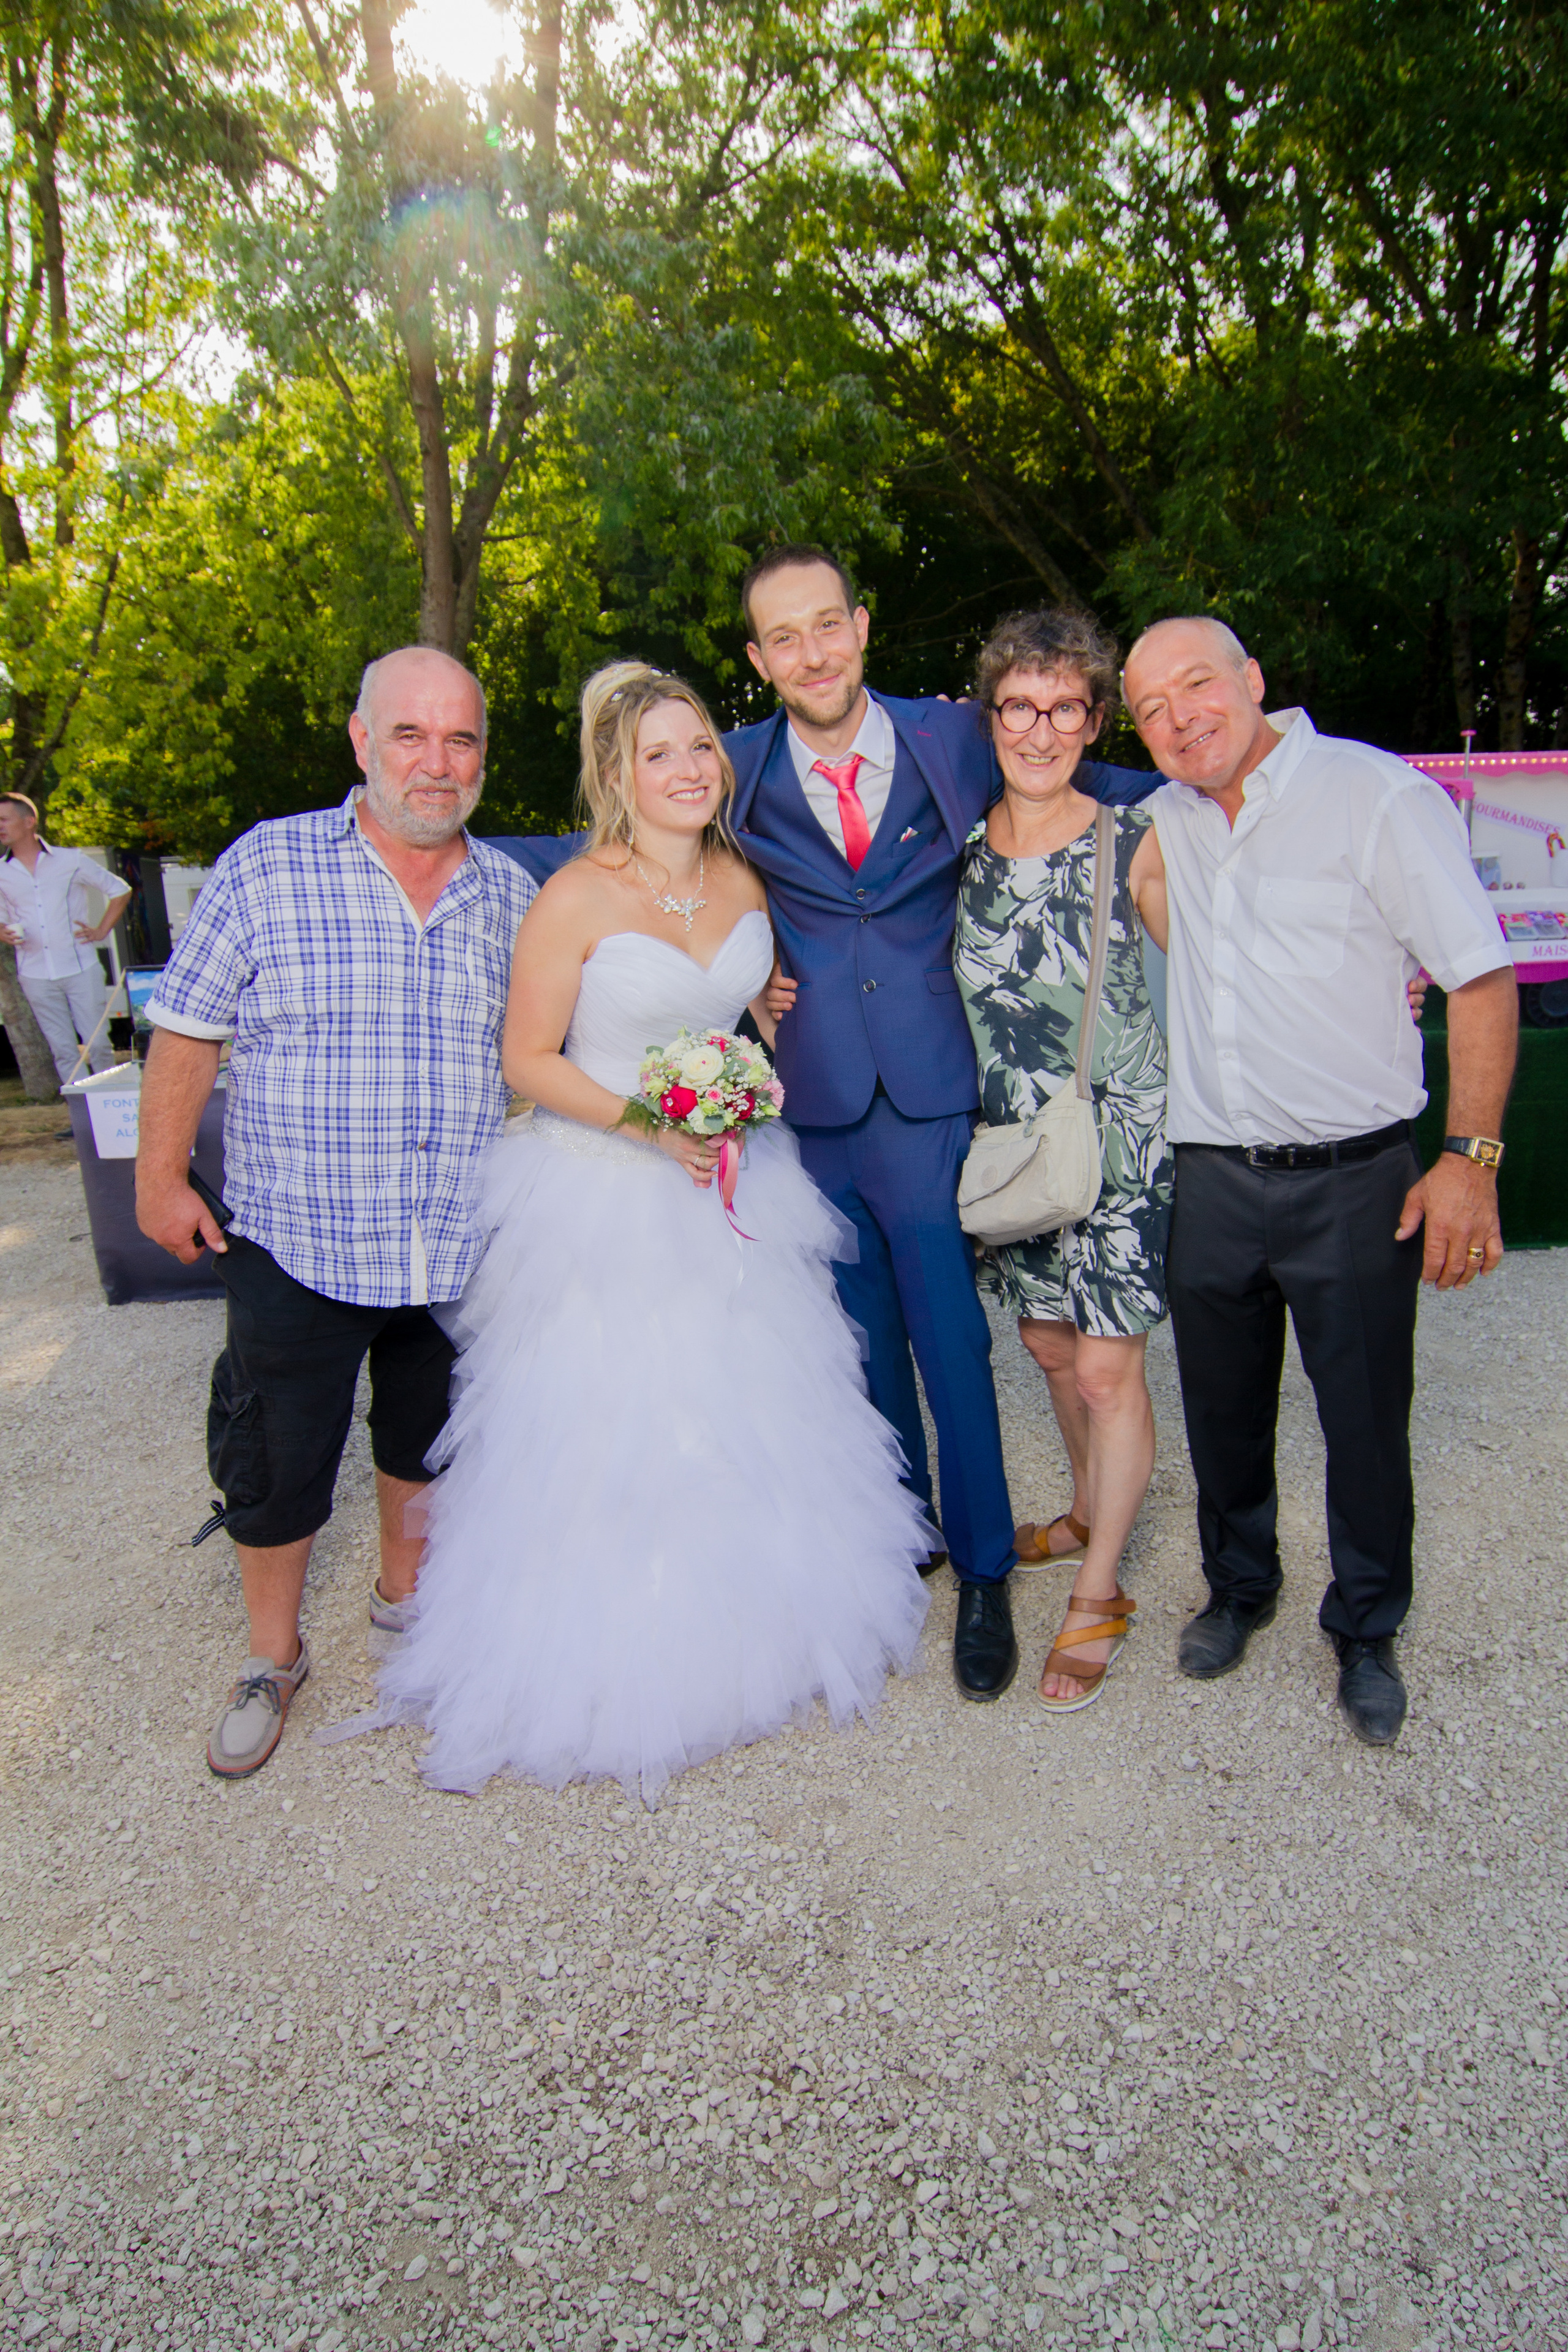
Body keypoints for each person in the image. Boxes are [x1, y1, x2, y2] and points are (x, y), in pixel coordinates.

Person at [344, 661, 933, 1803]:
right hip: (608, 1182)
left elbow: (745, 999)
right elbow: (526, 1060)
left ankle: (755, 1620)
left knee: (752, 1398)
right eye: (656, 753)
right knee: (619, 1421)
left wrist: (759, 1011)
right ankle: (631, 1648)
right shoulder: (574, 894)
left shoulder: (743, 878)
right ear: (617, 773)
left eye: (699, 747)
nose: (685, 770)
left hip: (732, 1177)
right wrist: (645, 1127)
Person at [134, 646, 537, 1779]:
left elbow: (570, 1034)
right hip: (295, 1239)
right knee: (277, 1456)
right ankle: (272, 1658)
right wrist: (158, 1177)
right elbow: (188, 1028)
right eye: (409, 735)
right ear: (362, 743)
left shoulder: (512, 896)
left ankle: (403, 1604)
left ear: (482, 757)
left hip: (449, 1244)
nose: (436, 761)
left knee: (421, 1441)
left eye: (460, 739)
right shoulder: (267, 867)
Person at [1121, 617, 1517, 1744]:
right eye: (1150, 706)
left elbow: (1480, 982)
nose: (1179, 715)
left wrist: (1468, 1161)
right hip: (1212, 1180)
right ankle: (1241, 1588)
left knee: (1364, 1419)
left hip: (1353, 1180)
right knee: (1224, 1414)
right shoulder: (1162, 820)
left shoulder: (1375, 797)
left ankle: (1369, 1624)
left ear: (1254, 678)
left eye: (1197, 684)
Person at [954, 609, 1174, 1713]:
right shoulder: (960, 856)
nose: (1040, 730)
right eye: (1020, 707)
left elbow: (1235, 967)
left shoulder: (1135, 842)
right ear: (991, 715)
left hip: (1120, 1145)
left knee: (1104, 1369)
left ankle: (1099, 1589)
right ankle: (1092, 1505)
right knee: (1046, 1347)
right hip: (1014, 1155)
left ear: (1093, 721)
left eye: (1065, 708)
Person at [0, 792, 130, 1080]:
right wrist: (4, 933)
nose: (0, 827)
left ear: (29, 821)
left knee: (98, 1045)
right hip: (34, 973)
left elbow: (120, 890)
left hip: (80, 968)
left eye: (4, 820)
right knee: (63, 1050)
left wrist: (101, 930)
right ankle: (81, 1115)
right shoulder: (1, 872)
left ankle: (107, 1106)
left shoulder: (71, 860)